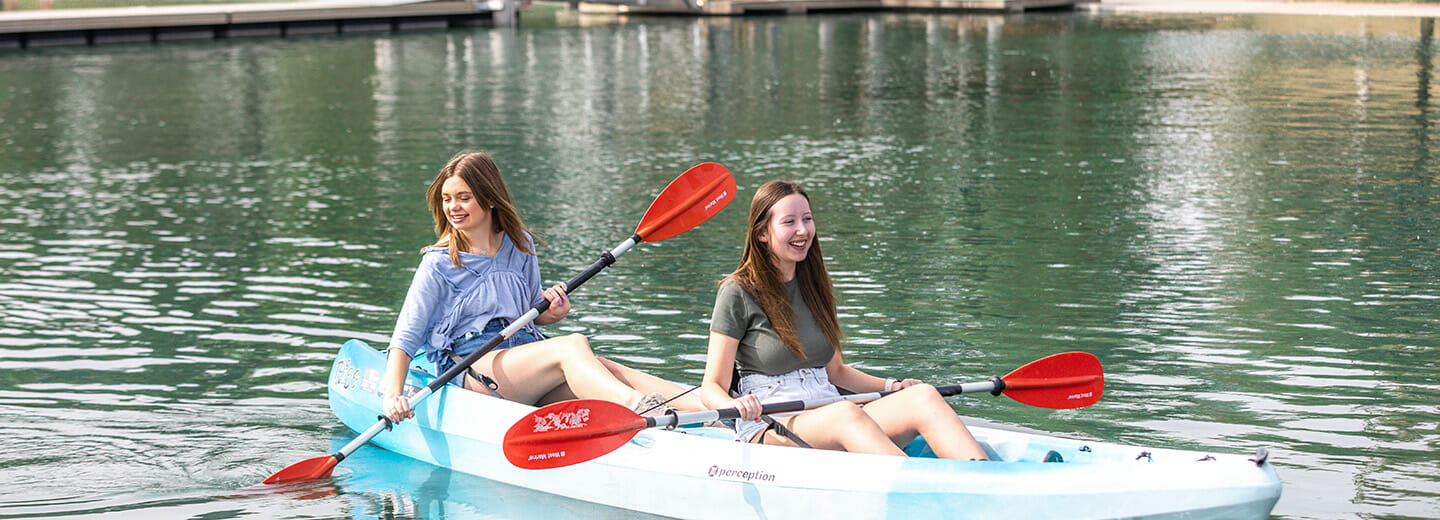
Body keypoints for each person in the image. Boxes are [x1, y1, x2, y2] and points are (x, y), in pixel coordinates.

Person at [381, 151, 700, 423]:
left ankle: (714, 406)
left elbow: (531, 313)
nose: (454, 207)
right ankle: (640, 411)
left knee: (610, 370)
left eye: (464, 198)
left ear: (490, 199)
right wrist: (393, 395)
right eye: (447, 199)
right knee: (572, 345)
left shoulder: (520, 245)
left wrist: (554, 311)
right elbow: (407, 335)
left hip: (524, 355)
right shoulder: (437, 264)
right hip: (474, 366)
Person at [698, 180, 989, 460]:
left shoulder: (815, 286)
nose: (803, 230)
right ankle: (922, 492)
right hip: (772, 421)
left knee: (923, 396)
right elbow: (712, 386)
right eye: (789, 222)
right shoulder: (737, 291)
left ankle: (985, 479)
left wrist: (893, 386)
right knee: (845, 414)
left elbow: (835, 373)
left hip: (826, 406)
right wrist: (735, 404)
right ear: (762, 233)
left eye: (807, 219)